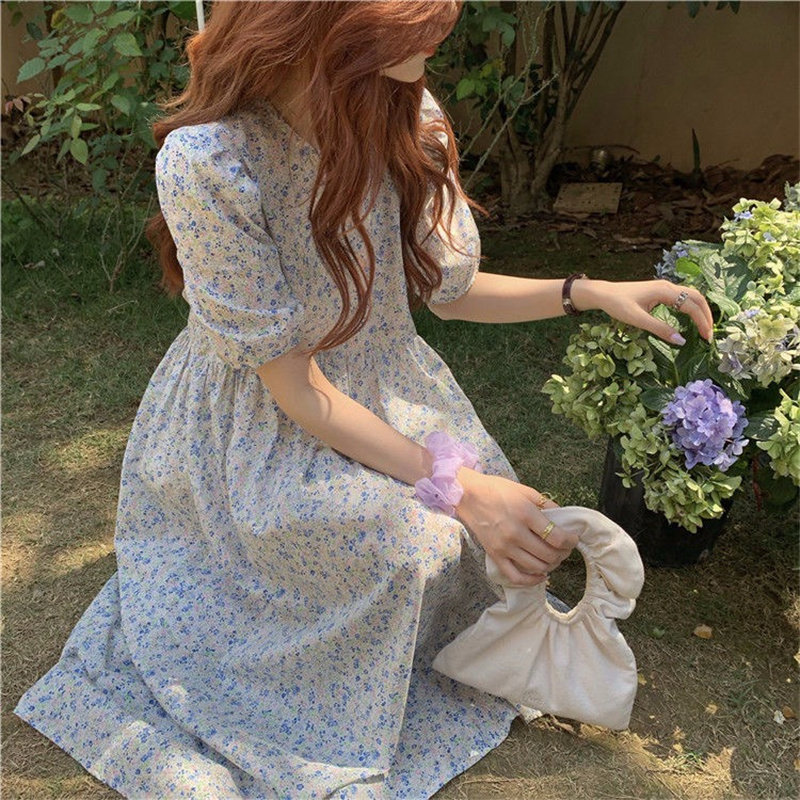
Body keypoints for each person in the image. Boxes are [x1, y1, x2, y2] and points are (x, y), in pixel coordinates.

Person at [14, 2, 715, 798]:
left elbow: (447, 292)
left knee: (476, 539)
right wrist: (458, 486)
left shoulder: (404, 111)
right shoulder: (211, 162)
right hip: (261, 424)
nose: (439, 29)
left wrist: (585, 291)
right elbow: (297, 391)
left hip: (384, 395)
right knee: (414, 545)